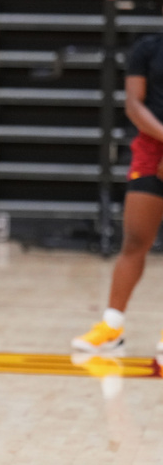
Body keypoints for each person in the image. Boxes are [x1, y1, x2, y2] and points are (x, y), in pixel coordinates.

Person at [73, 28, 163, 355]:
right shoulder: (148, 48)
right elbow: (135, 106)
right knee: (136, 239)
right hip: (152, 149)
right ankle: (112, 325)